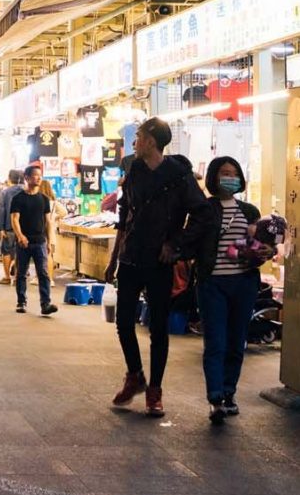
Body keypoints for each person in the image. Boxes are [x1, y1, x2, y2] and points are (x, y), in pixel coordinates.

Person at [104, 117, 213, 417]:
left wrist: (176, 245)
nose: (134, 142)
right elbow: (126, 215)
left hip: (160, 261)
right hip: (130, 257)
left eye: (138, 136)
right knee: (123, 322)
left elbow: (202, 213)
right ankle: (135, 375)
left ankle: (155, 390)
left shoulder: (179, 176)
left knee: (159, 328)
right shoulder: (133, 169)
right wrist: (114, 258)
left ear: (151, 141)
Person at [198, 157, 263, 424]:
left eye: (234, 173)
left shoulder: (250, 211)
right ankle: (215, 399)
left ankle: (228, 393)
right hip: (212, 283)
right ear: (214, 177)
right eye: (225, 173)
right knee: (215, 343)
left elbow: (257, 247)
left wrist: (261, 252)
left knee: (236, 343)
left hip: (244, 284)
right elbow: (195, 240)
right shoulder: (205, 209)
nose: (230, 177)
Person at [10, 166, 58, 316]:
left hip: (40, 241)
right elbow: (14, 219)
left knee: (43, 273)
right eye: (35, 175)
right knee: (22, 273)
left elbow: (48, 221)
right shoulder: (18, 198)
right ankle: (21, 302)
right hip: (24, 242)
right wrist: (20, 236)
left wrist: (50, 241)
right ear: (27, 177)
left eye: (40, 176)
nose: (38, 178)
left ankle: (46, 304)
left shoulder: (44, 199)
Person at [0, 170, 22, 285]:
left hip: (8, 226)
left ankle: (7, 277)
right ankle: (17, 277)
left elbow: (1, 210)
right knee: (19, 252)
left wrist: (1, 228)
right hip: (22, 228)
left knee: (6, 251)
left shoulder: (5, 192)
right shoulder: (24, 191)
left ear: (9, 178)